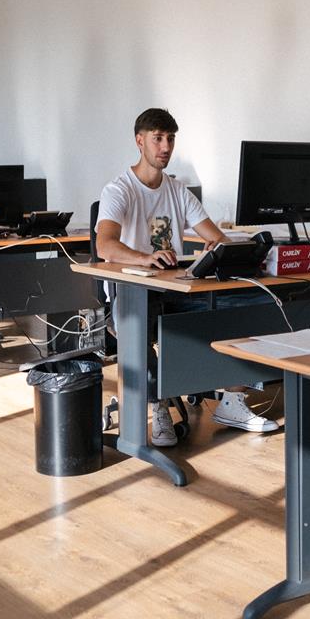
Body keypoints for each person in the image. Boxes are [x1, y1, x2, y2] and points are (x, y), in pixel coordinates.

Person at [95, 107, 279, 447]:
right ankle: (158, 405)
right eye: (158, 139)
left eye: (171, 139)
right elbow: (104, 244)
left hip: (176, 290)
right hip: (134, 294)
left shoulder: (177, 191)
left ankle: (232, 401)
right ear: (139, 141)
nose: (166, 147)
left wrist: (221, 247)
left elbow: (216, 237)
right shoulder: (119, 190)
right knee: (138, 324)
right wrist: (145, 257)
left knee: (245, 304)